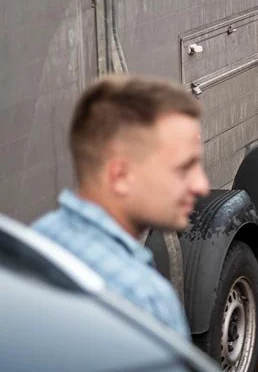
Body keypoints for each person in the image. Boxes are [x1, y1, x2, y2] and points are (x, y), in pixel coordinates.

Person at [32, 74, 210, 337]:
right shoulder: (144, 301)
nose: (201, 185)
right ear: (120, 176)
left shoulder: (36, 240)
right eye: (184, 168)